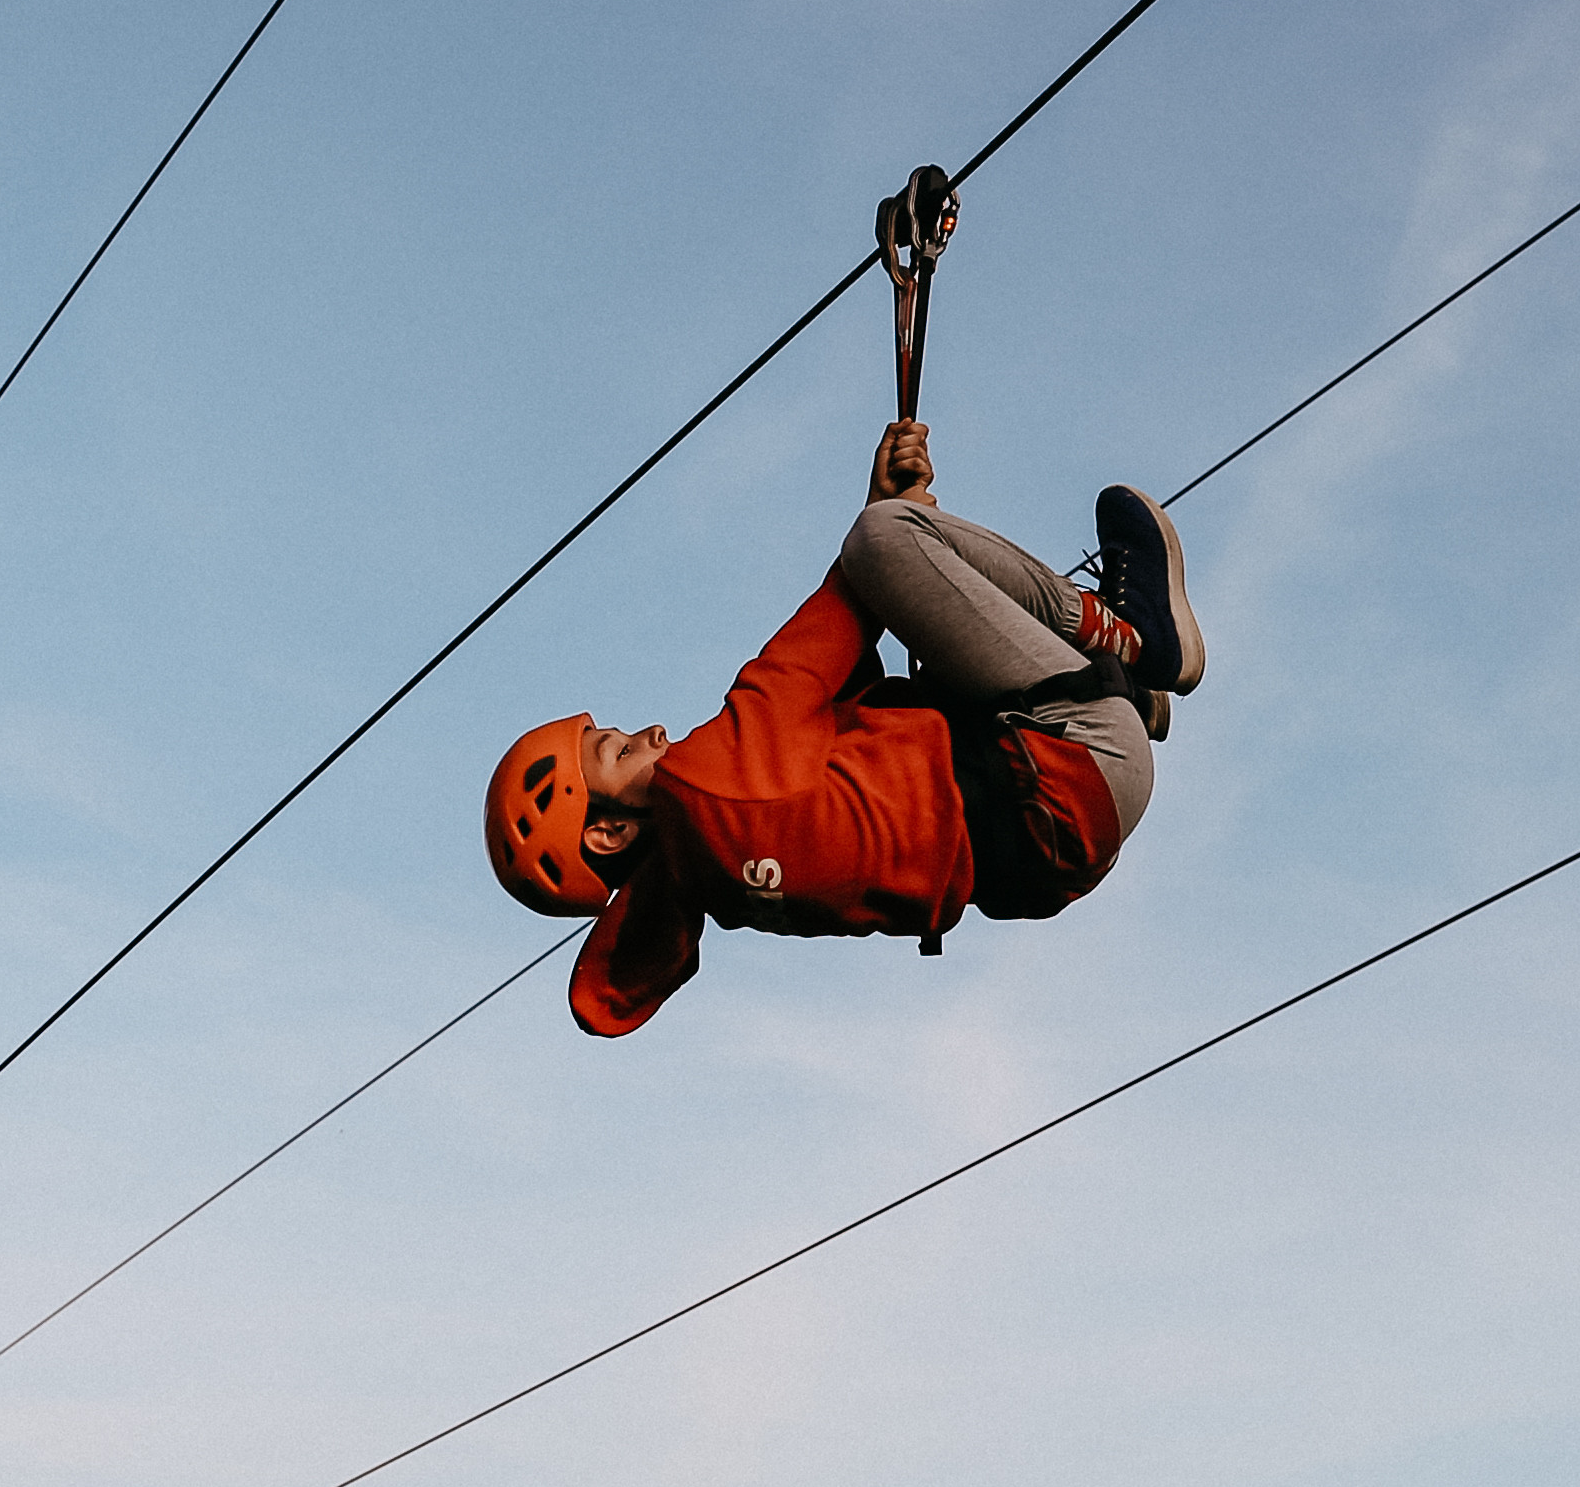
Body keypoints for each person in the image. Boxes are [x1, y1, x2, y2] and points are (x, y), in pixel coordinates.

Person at [484, 421, 1202, 1035]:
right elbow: (840, 613)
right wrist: (884, 507)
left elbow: (843, 712)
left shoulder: (718, 882)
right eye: (616, 750)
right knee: (884, 538)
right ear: (609, 832)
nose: (647, 733)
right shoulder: (703, 788)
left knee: (907, 620)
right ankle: (1136, 639)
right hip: (1072, 754)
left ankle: (1131, 691)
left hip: (1069, 820)